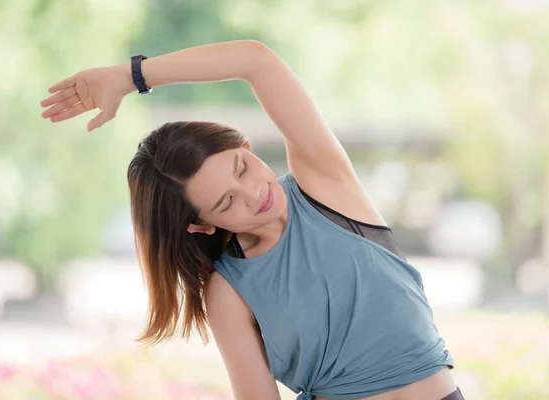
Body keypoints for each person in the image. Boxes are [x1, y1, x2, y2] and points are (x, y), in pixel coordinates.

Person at [40, 40, 464, 400]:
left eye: (242, 168)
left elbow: (256, 61)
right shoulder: (229, 294)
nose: (254, 194)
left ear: (244, 145)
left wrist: (130, 75)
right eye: (226, 203)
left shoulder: (324, 184)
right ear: (202, 225)